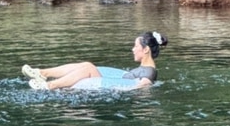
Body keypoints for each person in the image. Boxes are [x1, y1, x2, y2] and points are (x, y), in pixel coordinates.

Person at [22, 31, 168, 90]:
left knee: (88, 67)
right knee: (86, 65)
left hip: (112, 84)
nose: (132, 49)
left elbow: (143, 86)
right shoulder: (147, 68)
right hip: (114, 78)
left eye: (136, 46)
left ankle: (49, 86)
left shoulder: (150, 72)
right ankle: (41, 72)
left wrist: (119, 90)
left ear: (146, 49)